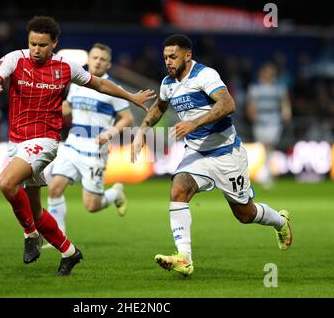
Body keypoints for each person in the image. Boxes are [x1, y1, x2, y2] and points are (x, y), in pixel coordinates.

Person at [0, 16, 154, 276]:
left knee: (6, 182)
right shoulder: (15, 58)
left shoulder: (66, 67)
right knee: (36, 211)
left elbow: (101, 84)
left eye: (42, 45)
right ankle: (69, 252)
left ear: (54, 43)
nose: (36, 50)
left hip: (46, 141)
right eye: (32, 44)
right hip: (17, 142)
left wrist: (131, 96)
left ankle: (30, 236)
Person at [131, 34, 292, 277]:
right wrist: (141, 130)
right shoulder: (168, 83)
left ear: (188, 55)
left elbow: (228, 105)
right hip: (196, 153)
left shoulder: (205, 76)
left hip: (226, 153)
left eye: (173, 57)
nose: (168, 62)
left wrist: (194, 123)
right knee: (178, 189)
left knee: (245, 214)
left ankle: (280, 222)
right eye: (165, 57)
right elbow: (159, 108)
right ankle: (184, 258)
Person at [42, 43, 133, 248]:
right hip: (73, 144)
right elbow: (69, 107)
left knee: (91, 206)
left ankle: (115, 192)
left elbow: (127, 119)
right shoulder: (77, 82)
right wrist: (50, 109)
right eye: (94, 57)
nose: (97, 61)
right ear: (89, 59)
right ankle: (58, 237)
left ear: (108, 64)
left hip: (95, 150)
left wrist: (110, 132)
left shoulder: (113, 89)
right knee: (55, 188)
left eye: (102, 59)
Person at [246, 62, 292, 188]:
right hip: (260, 121)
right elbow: (251, 102)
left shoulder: (279, 87)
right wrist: (251, 113)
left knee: (270, 145)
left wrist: (286, 111)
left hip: (274, 120)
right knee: (263, 146)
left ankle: (267, 172)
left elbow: (284, 100)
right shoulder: (255, 87)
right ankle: (266, 171)